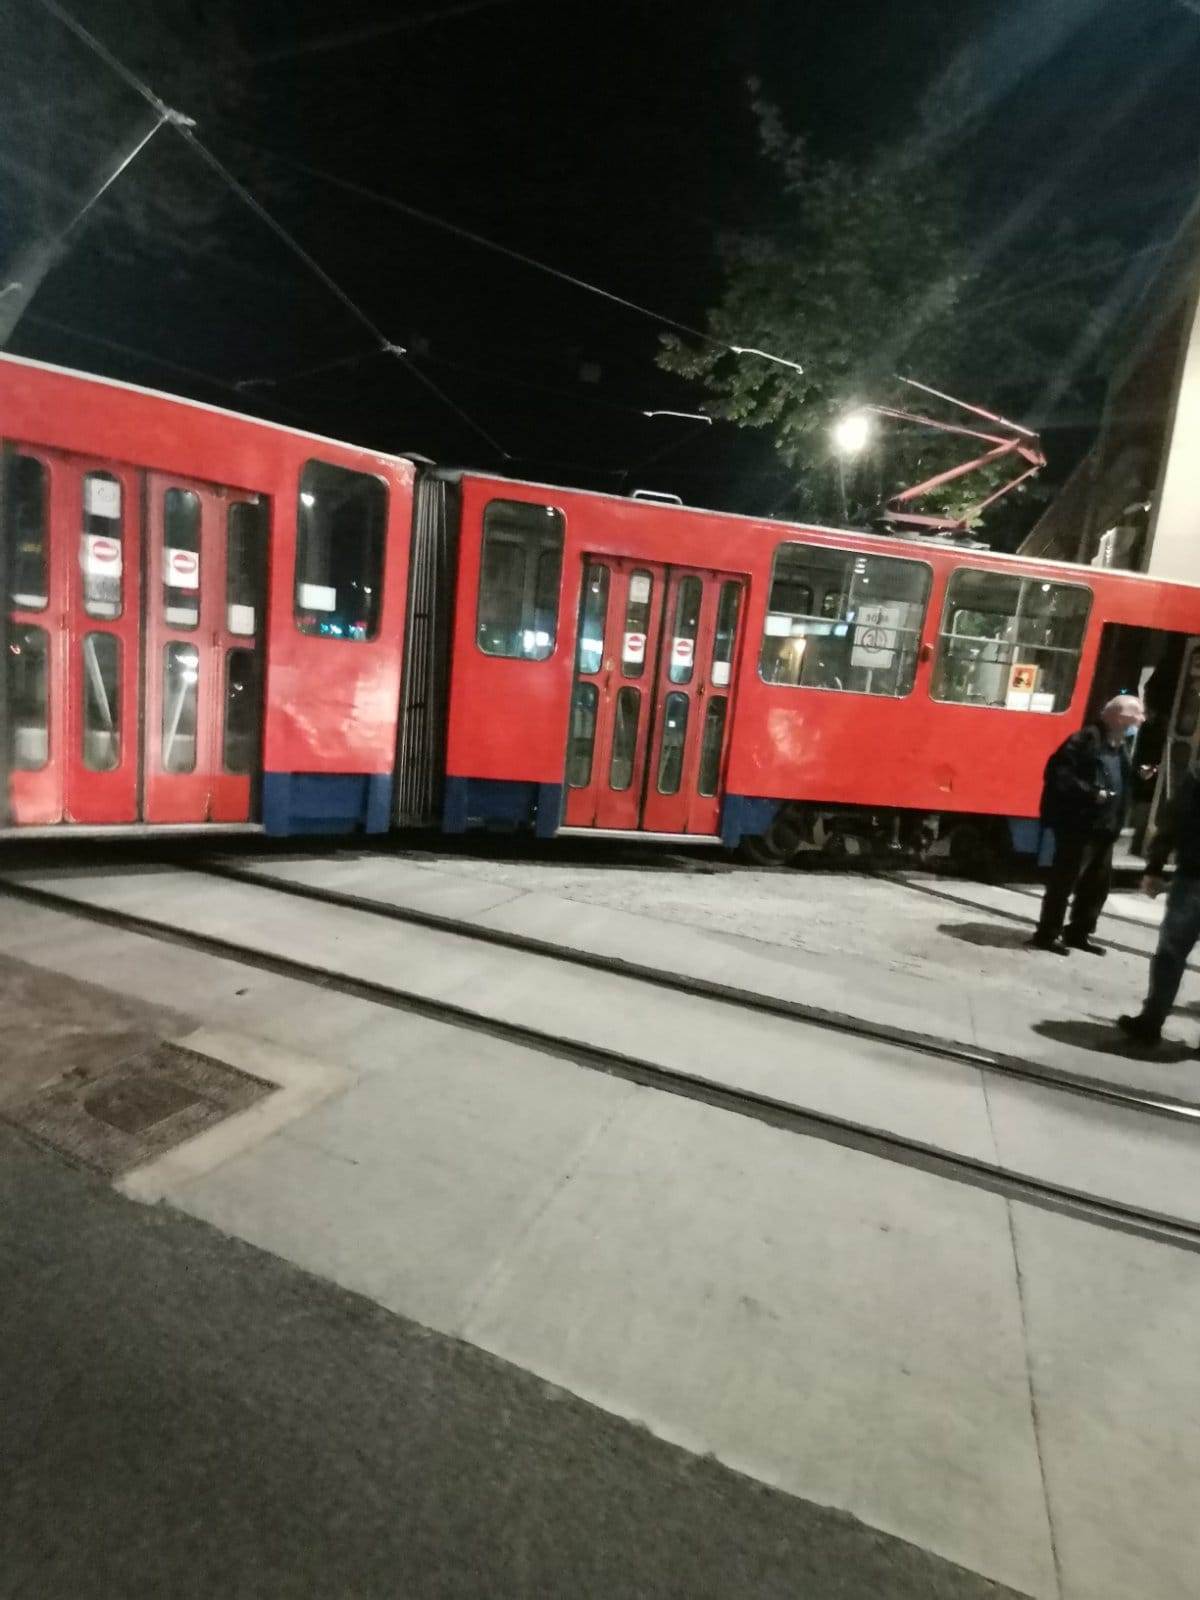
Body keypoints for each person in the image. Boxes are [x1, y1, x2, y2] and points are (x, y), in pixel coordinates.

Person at [1030, 694, 1145, 955]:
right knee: (1065, 881)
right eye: (1136, 714)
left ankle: (1078, 932)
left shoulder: (1120, 745)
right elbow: (1059, 774)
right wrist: (1091, 793)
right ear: (1117, 716)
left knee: (1096, 886)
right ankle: (1047, 933)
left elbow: (1120, 779)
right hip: (1079, 826)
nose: (1140, 720)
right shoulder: (1085, 740)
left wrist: (1140, 775)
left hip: (1106, 828)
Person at [1117, 763, 1200, 1045]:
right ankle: (1151, 1020)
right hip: (1192, 877)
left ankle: (1151, 1021)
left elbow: (1174, 818)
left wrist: (1155, 866)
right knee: (1170, 953)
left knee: (1170, 953)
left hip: (1193, 878)